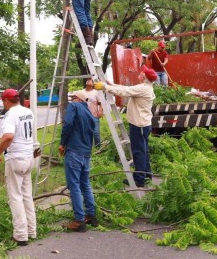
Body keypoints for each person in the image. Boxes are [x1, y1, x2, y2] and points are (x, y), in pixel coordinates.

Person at [96, 65, 157, 187]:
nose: (140, 73)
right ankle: (147, 176)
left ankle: (139, 179)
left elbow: (125, 92)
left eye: (142, 72)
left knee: (139, 152)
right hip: (143, 124)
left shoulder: (143, 88)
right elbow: (127, 88)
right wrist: (111, 85)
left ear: (144, 77)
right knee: (144, 152)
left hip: (139, 125)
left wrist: (105, 87)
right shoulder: (145, 87)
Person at [0, 88, 36, 246]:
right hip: (29, 158)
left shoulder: (10, 115)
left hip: (16, 159)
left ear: (5, 101)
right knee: (27, 196)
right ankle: (31, 230)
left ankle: (21, 235)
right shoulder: (27, 111)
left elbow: (8, 136)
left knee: (15, 197)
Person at [59, 89, 98, 232]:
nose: (71, 100)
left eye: (73, 97)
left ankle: (79, 220)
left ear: (79, 99)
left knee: (74, 185)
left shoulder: (74, 106)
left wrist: (62, 144)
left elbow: (67, 124)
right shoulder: (89, 113)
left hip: (74, 151)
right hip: (86, 152)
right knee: (85, 184)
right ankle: (91, 215)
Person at [82, 78, 104, 148]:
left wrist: (100, 110)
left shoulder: (96, 92)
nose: (89, 80)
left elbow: (101, 103)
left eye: (91, 80)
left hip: (94, 116)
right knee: (85, 133)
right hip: (84, 116)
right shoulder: (81, 92)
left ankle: (98, 149)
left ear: (93, 84)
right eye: (88, 80)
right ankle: (87, 148)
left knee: (96, 133)